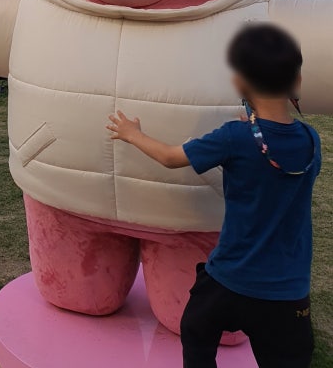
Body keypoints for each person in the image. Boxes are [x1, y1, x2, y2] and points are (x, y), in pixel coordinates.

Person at [107, 22, 320, 368]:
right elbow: (273, 163)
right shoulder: (312, 142)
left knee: (195, 330)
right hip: (287, 293)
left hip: (230, 281)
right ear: (296, 81)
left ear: (239, 83)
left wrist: (133, 134)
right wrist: (250, 129)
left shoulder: (234, 137)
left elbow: (170, 157)